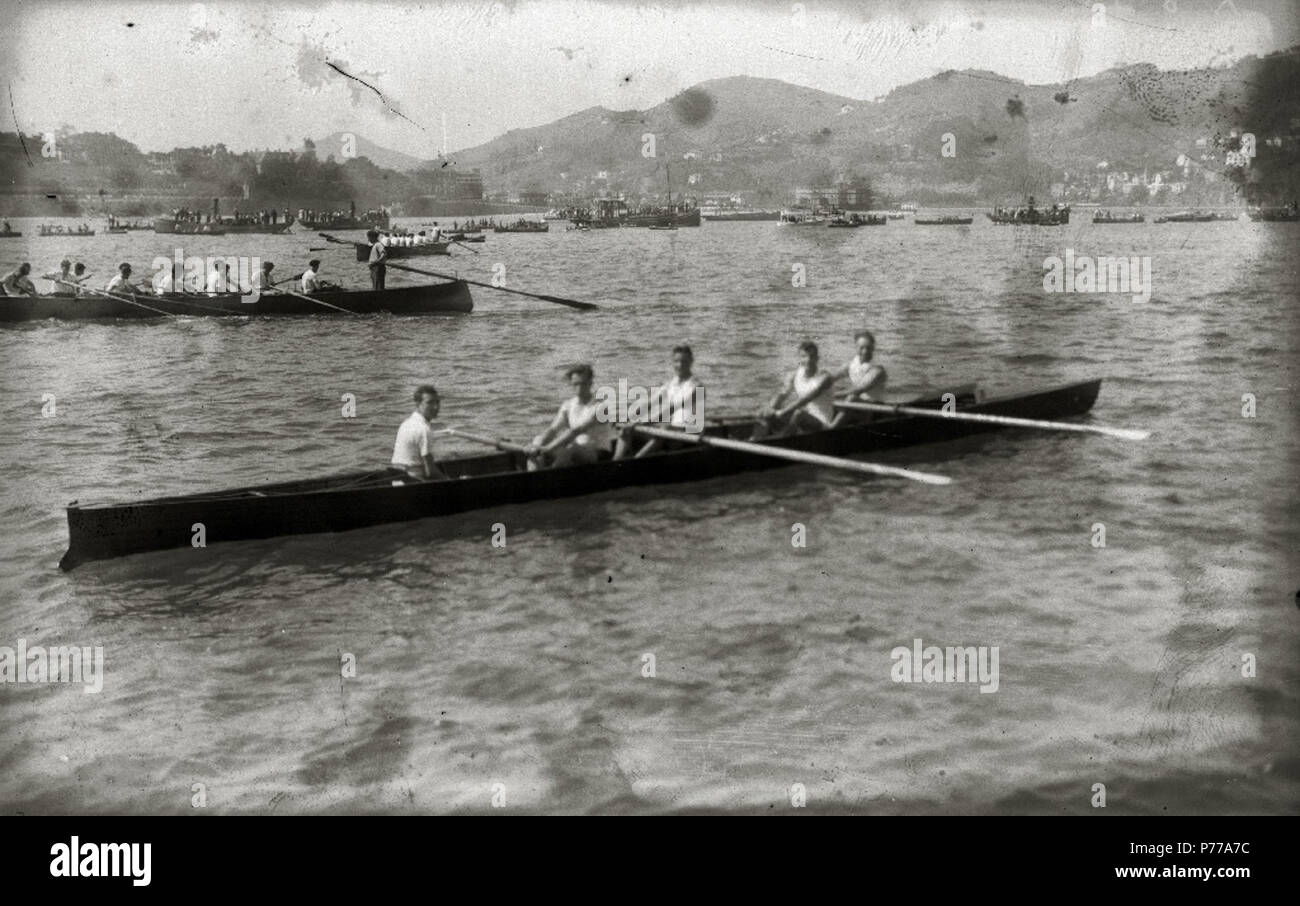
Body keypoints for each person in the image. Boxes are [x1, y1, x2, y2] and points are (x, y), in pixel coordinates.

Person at [615, 345, 705, 459]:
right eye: (677, 361)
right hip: (674, 431)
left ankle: (636, 462)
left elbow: (671, 409)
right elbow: (649, 402)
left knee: (664, 428)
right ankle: (615, 463)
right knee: (625, 431)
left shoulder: (696, 387)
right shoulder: (671, 384)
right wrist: (627, 416)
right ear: (673, 363)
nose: (680, 365)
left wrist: (643, 422)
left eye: (684, 361)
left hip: (691, 434)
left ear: (691, 361)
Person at [526, 364, 618, 469]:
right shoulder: (568, 405)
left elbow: (576, 431)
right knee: (538, 439)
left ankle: (550, 478)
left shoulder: (601, 407)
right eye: (576, 384)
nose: (579, 388)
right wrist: (538, 446)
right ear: (571, 384)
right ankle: (534, 476)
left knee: (570, 448)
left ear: (590, 383)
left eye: (583, 384)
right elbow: (552, 430)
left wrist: (548, 448)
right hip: (576, 448)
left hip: (598, 453)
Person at [760, 341, 837, 435]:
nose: (808, 360)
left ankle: (783, 440)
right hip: (805, 417)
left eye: (812, 356)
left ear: (817, 358)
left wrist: (782, 413)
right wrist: (771, 407)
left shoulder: (825, 378)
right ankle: (759, 439)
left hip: (822, 422)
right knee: (765, 411)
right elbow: (783, 394)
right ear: (800, 359)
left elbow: (805, 400)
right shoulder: (794, 375)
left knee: (798, 414)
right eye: (804, 356)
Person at [391, 385, 447, 481]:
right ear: (418, 404)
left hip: (396, 479)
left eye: (437, 402)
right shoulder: (424, 429)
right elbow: (430, 472)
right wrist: (449, 481)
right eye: (429, 403)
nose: (436, 407)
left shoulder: (406, 423)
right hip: (414, 484)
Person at [831, 330, 888, 407]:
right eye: (861, 348)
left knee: (851, 398)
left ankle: (834, 419)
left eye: (868, 348)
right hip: (859, 403)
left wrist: (832, 395)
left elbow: (858, 390)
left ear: (873, 348)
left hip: (875, 407)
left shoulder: (877, 370)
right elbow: (830, 378)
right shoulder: (850, 365)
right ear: (855, 347)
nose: (865, 351)